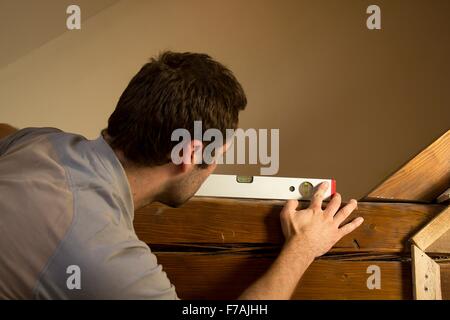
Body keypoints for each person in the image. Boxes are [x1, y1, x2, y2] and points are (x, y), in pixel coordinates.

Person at [0, 51, 363, 299]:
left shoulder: (37, 141)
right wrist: (302, 249)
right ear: (188, 154)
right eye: (218, 154)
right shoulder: (106, 256)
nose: (216, 166)